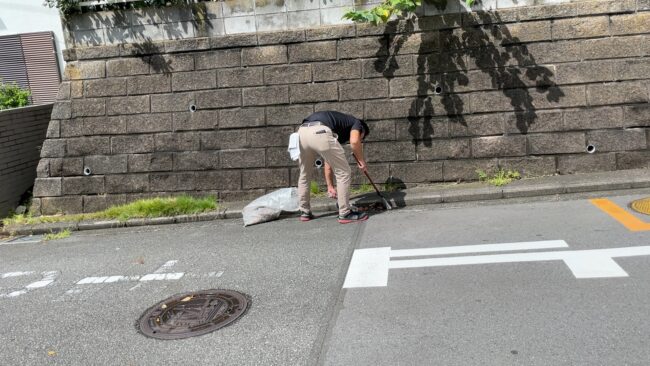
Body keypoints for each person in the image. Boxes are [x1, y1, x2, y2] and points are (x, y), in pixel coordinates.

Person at [297, 111, 370, 224]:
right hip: (320, 131)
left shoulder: (338, 129)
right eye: (363, 138)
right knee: (344, 172)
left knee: (304, 174)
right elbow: (355, 142)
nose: (361, 140)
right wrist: (361, 161)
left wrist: (330, 186)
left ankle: (304, 211)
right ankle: (345, 213)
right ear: (362, 131)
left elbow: (329, 161)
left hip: (302, 132)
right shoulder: (357, 123)